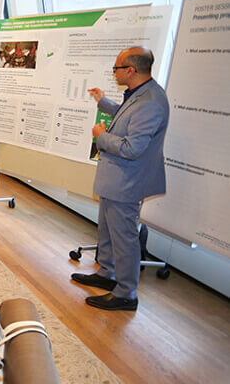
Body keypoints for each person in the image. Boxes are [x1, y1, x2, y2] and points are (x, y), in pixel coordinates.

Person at [72, 46, 169, 311]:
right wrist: (103, 102)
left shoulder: (151, 102)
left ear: (130, 70)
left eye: (116, 68)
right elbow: (127, 119)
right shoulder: (140, 94)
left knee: (124, 238)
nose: (113, 72)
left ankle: (126, 293)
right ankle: (107, 275)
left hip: (127, 183)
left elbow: (132, 147)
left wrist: (100, 136)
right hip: (116, 180)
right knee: (107, 230)